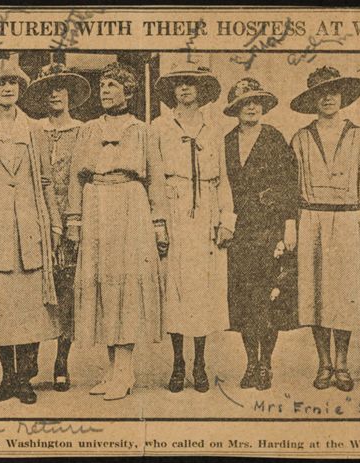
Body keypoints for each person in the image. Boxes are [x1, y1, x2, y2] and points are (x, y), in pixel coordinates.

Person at [67, 62, 168, 401]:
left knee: (126, 285)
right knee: (103, 284)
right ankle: (111, 369)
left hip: (130, 205)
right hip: (96, 203)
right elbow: (75, 179)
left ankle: (126, 370)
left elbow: (155, 179)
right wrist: (74, 220)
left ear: (128, 91)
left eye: (113, 85)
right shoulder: (88, 130)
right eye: (103, 85)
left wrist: (159, 225)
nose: (106, 91)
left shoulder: (143, 130)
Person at [0, 59, 62, 405]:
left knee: (31, 310)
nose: (7, 89)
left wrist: (53, 223)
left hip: (31, 229)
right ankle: (7, 378)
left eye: (13, 84)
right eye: (0, 85)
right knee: (3, 312)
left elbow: (47, 181)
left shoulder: (34, 129)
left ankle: (25, 378)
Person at [290, 66, 360, 392]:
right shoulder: (300, 138)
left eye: (334, 92)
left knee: (343, 296)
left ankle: (342, 363)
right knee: (315, 295)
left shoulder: (359, 136)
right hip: (311, 219)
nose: (328, 97)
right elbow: (291, 186)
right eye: (321, 92)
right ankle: (323, 363)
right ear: (313, 98)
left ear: (342, 97)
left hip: (347, 221)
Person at [151, 62, 234, 393]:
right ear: (172, 91)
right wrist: (159, 224)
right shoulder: (158, 127)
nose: (184, 89)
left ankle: (199, 363)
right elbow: (155, 178)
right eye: (179, 84)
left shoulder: (213, 129)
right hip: (174, 207)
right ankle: (177, 362)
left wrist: (226, 219)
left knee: (203, 290)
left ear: (201, 91)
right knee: (176, 289)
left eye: (191, 83)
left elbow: (224, 177)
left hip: (207, 214)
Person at [223, 78, 299, 391]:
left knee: (269, 298)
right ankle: (250, 363)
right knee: (244, 298)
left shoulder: (275, 138)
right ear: (236, 109)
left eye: (257, 102)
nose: (252, 107)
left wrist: (290, 223)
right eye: (245, 103)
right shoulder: (226, 141)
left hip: (269, 227)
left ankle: (266, 363)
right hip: (240, 229)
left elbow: (290, 182)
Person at [21, 62, 91, 392]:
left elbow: (85, 177)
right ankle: (31, 357)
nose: (55, 95)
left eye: (61, 89)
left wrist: (73, 219)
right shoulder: (33, 130)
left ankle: (61, 361)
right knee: (36, 288)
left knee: (67, 292)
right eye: (49, 89)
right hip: (37, 218)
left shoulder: (84, 130)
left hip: (73, 216)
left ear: (70, 96)